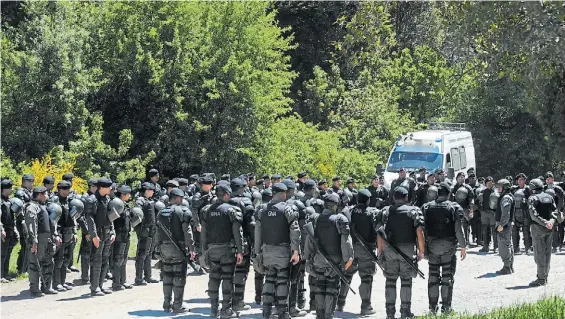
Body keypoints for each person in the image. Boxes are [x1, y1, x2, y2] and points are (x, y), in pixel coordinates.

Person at [377, 186, 425, 319]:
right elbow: (419, 232)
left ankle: (390, 313)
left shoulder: (385, 211)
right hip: (408, 251)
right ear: (406, 197)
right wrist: (421, 251)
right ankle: (405, 312)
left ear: (393, 198)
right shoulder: (414, 211)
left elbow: (379, 233)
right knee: (406, 281)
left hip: (390, 251)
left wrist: (380, 251)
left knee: (390, 282)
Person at [304, 192, 354, 319]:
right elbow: (345, 242)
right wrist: (348, 258)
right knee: (331, 290)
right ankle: (328, 315)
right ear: (336, 205)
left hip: (319, 260)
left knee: (319, 288)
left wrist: (307, 257)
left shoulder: (315, 218)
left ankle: (320, 315)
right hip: (334, 262)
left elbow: (309, 241)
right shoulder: (340, 219)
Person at [255, 183, 301, 319]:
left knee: (269, 279)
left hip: (267, 250)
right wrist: (295, 251)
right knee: (282, 281)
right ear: (284, 194)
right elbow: (295, 231)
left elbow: (258, 231)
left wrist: (258, 252)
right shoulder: (287, 209)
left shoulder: (262, 209)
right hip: (282, 251)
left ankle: (266, 311)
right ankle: (282, 312)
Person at [422, 182, 466, 315]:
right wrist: (463, 246)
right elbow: (458, 229)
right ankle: (446, 308)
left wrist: (422, 249)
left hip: (432, 246)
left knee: (433, 277)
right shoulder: (453, 207)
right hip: (448, 247)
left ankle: (432, 308)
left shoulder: (426, 207)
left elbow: (421, 229)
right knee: (447, 277)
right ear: (448, 194)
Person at [200, 181, 243, 318]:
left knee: (213, 278)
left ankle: (213, 309)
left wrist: (204, 251)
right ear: (226, 195)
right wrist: (240, 250)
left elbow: (204, 233)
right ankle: (226, 309)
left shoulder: (206, 210)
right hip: (227, 251)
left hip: (212, 250)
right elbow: (237, 232)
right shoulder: (231, 210)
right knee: (227, 279)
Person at [155, 188, 195, 313]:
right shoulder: (182, 211)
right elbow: (187, 232)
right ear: (178, 198)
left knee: (167, 275)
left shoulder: (161, 212)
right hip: (178, 249)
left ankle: (167, 304)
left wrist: (157, 248)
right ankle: (177, 305)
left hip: (164, 249)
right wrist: (192, 248)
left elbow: (157, 233)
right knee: (179, 276)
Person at [341, 189, 378, 315]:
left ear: (357, 199)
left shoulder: (349, 211)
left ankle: (339, 303)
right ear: (368, 200)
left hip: (350, 248)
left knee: (346, 275)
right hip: (366, 250)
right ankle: (365, 306)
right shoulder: (372, 212)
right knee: (366, 277)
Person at [25, 186, 60, 296]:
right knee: (35, 264)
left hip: (48, 238)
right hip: (39, 239)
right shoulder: (31, 207)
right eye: (45, 194)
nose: (47, 196)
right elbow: (31, 225)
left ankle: (46, 287)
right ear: (39, 194)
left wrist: (55, 235)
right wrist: (34, 241)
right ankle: (34, 289)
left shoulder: (43, 206)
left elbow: (51, 221)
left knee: (49, 263)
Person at [527, 178, 563, 286]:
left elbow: (533, 215)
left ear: (532, 187)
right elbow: (555, 212)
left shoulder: (532, 198)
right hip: (550, 229)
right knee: (547, 253)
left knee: (539, 253)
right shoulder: (549, 197)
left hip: (538, 228)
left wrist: (544, 223)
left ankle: (541, 278)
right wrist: (550, 222)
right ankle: (545, 276)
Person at [84, 177, 115, 296]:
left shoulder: (106, 199)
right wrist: (94, 235)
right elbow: (89, 218)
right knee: (96, 260)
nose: (111, 189)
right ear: (101, 187)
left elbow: (110, 216)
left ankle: (100, 285)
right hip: (98, 234)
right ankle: (94, 287)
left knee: (105, 260)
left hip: (107, 233)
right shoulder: (92, 200)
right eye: (108, 187)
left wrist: (112, 232)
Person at [229, 177, 256, 312]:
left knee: (226, 273)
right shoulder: (245, 202)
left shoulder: (222, 200)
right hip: (242, 241)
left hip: (224, 243)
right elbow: (251, 225)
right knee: (241, 272)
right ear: (241, 188)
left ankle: (226, 302)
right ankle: (238, 302)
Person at [50, 180, 77, 292]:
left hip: (69, 232)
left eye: (68, 189)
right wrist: (55, 234)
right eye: (64, 189)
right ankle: (56, 283)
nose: (67, 191)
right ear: (59, 189)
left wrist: (75, 232)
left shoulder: (70, 201)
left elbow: (74, 217)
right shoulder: (54, 202)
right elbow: (52, 220)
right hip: (59, 232)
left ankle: (62, 281)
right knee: (58, 259)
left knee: (66, 259)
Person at [111, 185, 136, 291]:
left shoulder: (125, 206)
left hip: (126, 235)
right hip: (119, 235)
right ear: (123, 195)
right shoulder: (116, 205)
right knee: (118, 259)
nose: (129, 195)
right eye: (128, 194)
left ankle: (123, 281)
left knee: (124, 258)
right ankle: (116, 283)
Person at [134, 182, 159, 285]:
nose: (153, 192)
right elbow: (137, 215)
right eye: (152, 190)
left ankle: (148, 276)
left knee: (148, 253)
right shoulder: (140, 201)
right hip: (144, 230)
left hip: (151, 230)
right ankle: (139, 278)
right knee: (142, 253)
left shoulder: (150, 201)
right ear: (147, 191)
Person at [76, 177, 98, 285]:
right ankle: (85, 276)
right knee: (86, 253)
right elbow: (81, 217)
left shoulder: (96, 197)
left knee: (95, 253)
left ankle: (94, 275)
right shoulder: (84, 198)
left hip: (96, 230)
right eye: (94, 186)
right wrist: (86, 231)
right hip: (87, 231)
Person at [1, 179, 22, 283]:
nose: (12, 189)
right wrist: (1, 230)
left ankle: (5, 273)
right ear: (5, 189)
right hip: (3, 231)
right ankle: (1, 276)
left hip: (9, 230)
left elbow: (13, 217)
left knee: (8, 253)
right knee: (2, 254)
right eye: (10, 187)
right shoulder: (1, 201)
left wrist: (15, 230)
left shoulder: (9, 201)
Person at [15, 173, 34, 275]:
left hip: (29, 220)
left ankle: (26, 267)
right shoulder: (20, 192)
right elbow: (20, 208)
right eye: (31, 181)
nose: (32, 183)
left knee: (28, 245)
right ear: (25, 182)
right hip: (22, 221)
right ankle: (22, 268)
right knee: (25, 245)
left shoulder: (28, 192)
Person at [451, 173, 474, 246]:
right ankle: (457, 241)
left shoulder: (468, 187)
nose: (462, 179)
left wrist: (471, 210)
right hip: (455, 209)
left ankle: (466, 241)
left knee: (465, 225)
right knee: (456, 225)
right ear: (457, 178)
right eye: (460, 177)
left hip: (465, 208)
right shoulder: (453, 188)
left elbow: (471, 199)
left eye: (463, 177)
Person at [512, 173, 532, 254]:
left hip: (525, 212)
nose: (520, 181)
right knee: (515, 231)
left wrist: (526, 201)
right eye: (519, 180)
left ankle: (528, 248)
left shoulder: (528, 189)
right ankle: (516, 248)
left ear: (525, 180)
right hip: (516, 211)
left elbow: (532, 199)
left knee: (526, 231)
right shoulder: (514, 189)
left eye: (522, 180)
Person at [478, 177, 497, 253]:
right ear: (485, 184)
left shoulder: (496, 192)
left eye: (491, 182)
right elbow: (478, 202)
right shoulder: (482, 192)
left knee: (494, 230)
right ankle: (485, 246)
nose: (489, 184)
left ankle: (496, 246)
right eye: (487, 182)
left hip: (493, 213)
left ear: (493, 183)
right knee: (485, 230)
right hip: (484, 212)